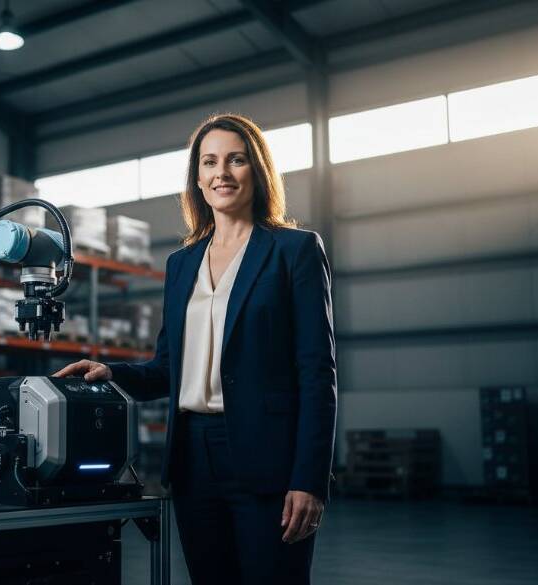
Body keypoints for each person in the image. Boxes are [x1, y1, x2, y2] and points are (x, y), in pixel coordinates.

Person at [54, 113, 337, 585]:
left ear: (257, 171)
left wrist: (309, 480)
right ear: (198, 179)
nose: (221, 172)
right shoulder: (182, 263)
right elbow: (169, 368)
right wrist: (113, 373)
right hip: (193, 460)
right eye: (209, 162)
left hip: (266, 458)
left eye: (236, 160)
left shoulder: (295, 251)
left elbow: (317, 373)